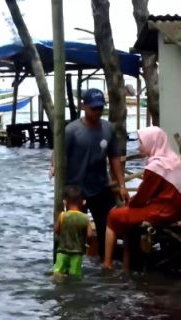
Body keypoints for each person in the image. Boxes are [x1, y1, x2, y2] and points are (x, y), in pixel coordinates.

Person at [50, 88, 129, 260]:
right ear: (83, 106)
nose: (97, 112)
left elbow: (114, 157)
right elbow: (57, 152)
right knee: (72, 231)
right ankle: (66, 267)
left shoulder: (108, 129)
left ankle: (105, 266)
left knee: (106, 227)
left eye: (100, 108)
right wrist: (54, 166)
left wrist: (122, 185)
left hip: (100, 188)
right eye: (93, 108)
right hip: (75, 192)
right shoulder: (71, 130)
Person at [103, 126, 181, 271]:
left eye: (142, 142)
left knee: (113, 215)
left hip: (161, 212)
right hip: (175, 211)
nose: (139, 147)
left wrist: (129, 204)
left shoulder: (156, 167)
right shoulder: (175, 160)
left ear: (153, 142)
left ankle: (107, 263)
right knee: (126, 216)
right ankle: (127, 264)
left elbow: (142, 197)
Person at [53, 185, 93, 279]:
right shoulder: (85, 218)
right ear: (83, 202)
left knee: (58, 272)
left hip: (62, 251)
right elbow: (90, 235)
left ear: (65, 201)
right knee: (75, 276)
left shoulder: (62, 216)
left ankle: (60, 287)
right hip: (77, 253)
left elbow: (56, 230)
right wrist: (87, 244)